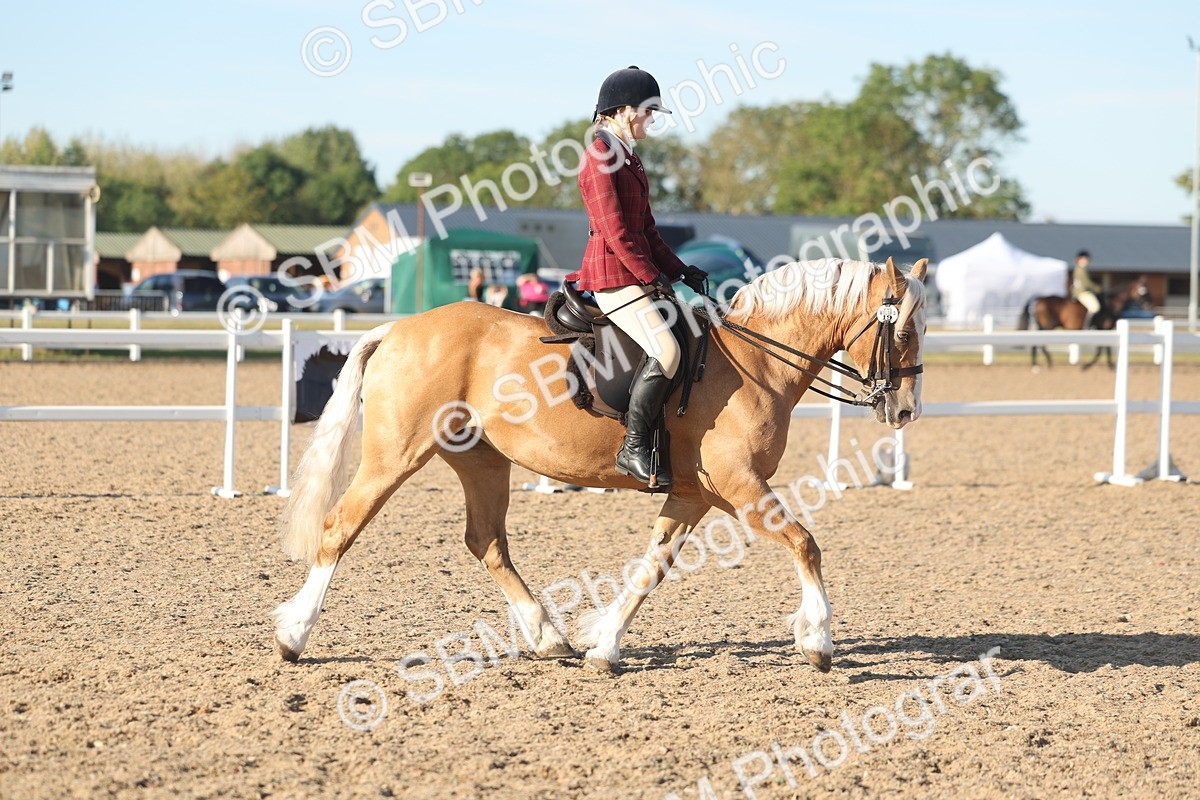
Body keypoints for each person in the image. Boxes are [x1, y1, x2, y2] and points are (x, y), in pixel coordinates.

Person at [564, 65, 707, 488]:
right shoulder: (599, 158)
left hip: (633, 275)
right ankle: (634, 447)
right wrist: (650, 276)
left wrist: (680, 270)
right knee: (666, 352)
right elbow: (615, 231)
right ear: (625, 110)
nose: (651, 120)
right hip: (612, 278)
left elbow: (647, 231)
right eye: (648, 112)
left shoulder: (629, 158)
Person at [1071, 249, 1102, 328]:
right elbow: (1087, 283)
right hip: (1083, 292)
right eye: (1085, 259)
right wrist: (1098, 289)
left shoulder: (1079, 269)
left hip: (1079, 291)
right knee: (1095, 307)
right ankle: (1088, 325)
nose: (1087, 261)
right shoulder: (1081, 270)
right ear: (1080, 259)